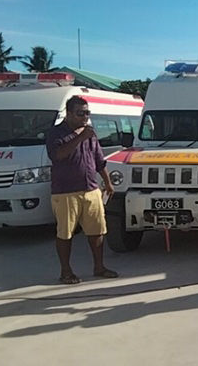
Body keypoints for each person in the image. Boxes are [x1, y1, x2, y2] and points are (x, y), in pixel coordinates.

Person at [46, 96, 118, 284]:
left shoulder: (90, 133)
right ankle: (66, 271)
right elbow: (57, 155)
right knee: (66, 233)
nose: (85, 117)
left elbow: (99, 160)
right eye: (80, 113)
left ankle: (99, 267)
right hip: (65, 191)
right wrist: (80, 137)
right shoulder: (56, 133)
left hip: (90, 189)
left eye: (87, 113)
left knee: (97, 230)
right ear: (69, 113)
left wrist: (108, 182)